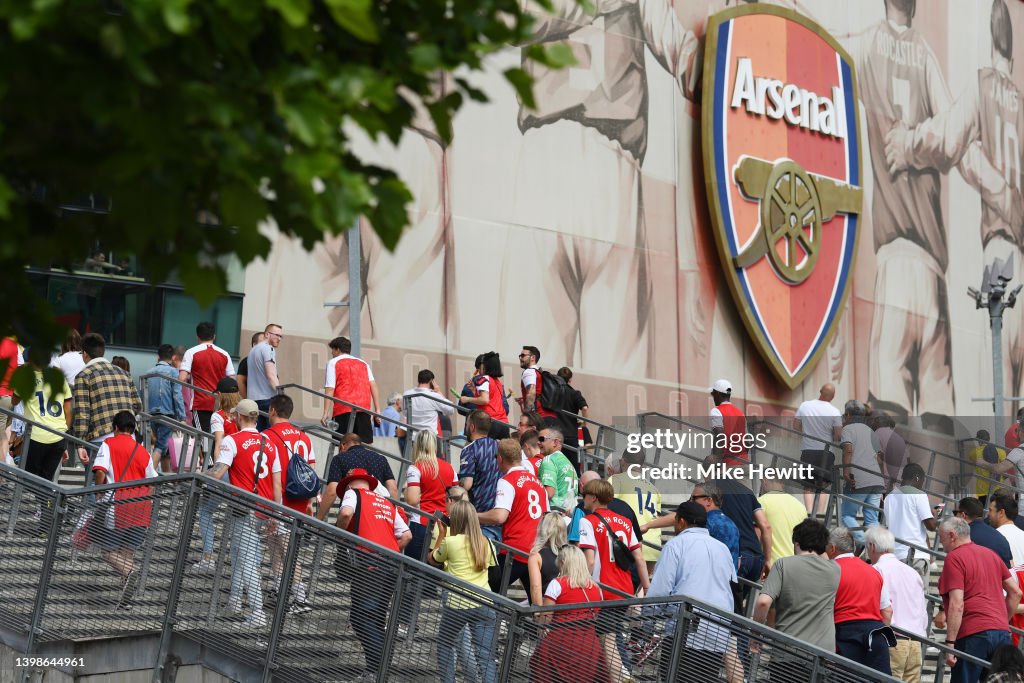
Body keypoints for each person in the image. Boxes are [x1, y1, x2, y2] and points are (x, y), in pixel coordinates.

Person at [207, 399, 283, 628]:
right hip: (266, 507)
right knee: (241, 553)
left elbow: (219, 473)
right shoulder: (269, 442)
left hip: (243, 507)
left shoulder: (232, 440)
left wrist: (200, 477)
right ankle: (234, 601)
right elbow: (277, 483)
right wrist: (275, 514)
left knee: (247, 558)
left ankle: (257, 611)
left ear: (239, 417)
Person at [647, 501, 737, 683]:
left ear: (681, 521)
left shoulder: (676, 545)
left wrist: (646, 624)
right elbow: (730, 586)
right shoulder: (723, 548)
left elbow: (660, 591)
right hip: (717, 631)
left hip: (684, 631)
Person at [336, 467, 411, 678]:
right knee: (376, 617)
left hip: (369, 565)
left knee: (360, 617)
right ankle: (374, 671)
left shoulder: (353, 494)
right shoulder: (386, 501)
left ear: (350, 484)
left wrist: (339, 536)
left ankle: (380, 666)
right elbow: (406, 536)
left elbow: (345, 513)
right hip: (391, 566)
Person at [579, 478, 650, 682]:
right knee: (609, 636)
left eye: (585, 495)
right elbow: (639, 558)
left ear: (593, 497)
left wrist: (581, 586)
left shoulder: (588, 521)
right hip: (624, 589)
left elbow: (590, 561)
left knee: (608, 641)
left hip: (601, 590)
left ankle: (623, 678)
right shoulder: (625, 522)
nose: (583, 499)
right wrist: (647, 588)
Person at [753, 519, 842, 681]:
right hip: (823, 655)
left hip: (788, 652)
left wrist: (756, 633)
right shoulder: (835, 569)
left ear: (797, 542)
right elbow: (822, 555)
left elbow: (763, 602)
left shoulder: (783, 565)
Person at [937, 516, 1020, 683]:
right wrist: (1002, 621)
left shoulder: (954, 558)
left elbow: (957, 603)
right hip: (1001, 632)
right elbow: (1016, 592)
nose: (941, 544)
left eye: (942, 538)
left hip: (973, 632)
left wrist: (950, 643)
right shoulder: (991, 554)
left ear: (952, 535)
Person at [92, 411, 158, 608]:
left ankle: (129, 573)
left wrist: (98, 491)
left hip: (118, 504)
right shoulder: (142, 449)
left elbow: (101, 471)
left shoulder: (109, 444)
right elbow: (153, 479)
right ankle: (125, 601)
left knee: (108, 551)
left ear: (115, 427)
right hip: (142, 505)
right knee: (127, 552)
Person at [428, 499, 497, 683]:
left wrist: (442, 533)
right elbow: (492, 571)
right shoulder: (487, 543)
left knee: (444, 645)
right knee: (486, 657)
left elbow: (432, 560)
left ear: (456, 520)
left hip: (457, 603)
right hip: (485, 603)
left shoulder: (450, 542)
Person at [477, 438, 549, 593]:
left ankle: (496, 618)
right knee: (535, 603)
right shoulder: (539, 483)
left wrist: (473, 516)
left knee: (489, 591)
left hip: (515, 550)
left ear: (501, 459)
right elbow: (547, 516)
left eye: (496, 457)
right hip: (536, 550)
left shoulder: (507, 480)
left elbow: (499, 516)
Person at [529, 545, 608, 683]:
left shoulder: (557, 584)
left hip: (559, 645)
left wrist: (537, 615)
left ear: (564, 563)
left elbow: (545, 619)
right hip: (589, 647)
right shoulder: (597, 589)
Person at [826, 527, 895, 675]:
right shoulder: (873, 571)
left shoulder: (830, 570)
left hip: (844, 637)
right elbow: (887, 611)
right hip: (876, 636)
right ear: (854, 547)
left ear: (832, 548)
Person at [71, 333, 142, 471]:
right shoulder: (124, 373)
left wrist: (79, 444)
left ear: (85, 354)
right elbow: (138, 405)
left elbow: (82, 413)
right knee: (122, 484)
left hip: (100, 438)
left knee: (95, 486)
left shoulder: (83, 375)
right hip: (129, 437)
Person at [866, 526, 928, 683]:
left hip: (893, 640)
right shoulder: (912, 572)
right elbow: (923, 612)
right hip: (915, 643)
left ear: (872, 546)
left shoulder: (877, 571)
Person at [193, 377, 241, 571]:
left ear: (220, 395)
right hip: (242, 472)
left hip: (226, 470)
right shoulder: (242, 414)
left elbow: (218, 446)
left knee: (205, 510)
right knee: (237, 517)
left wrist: (214, 471)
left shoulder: (218, 416)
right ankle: (235, 560)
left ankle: (208, 558)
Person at [15, 349, 71, 487]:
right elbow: (68, 409)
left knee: (29, 478)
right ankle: (46, 506)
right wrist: (64, 432)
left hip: (36, 435)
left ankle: (34, 505)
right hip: (58, 435)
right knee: (47, 479)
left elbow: (14, 401)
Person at [403, 429, 457, 561]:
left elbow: (412, 500)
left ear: (417, 445)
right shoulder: (450, 468)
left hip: (422, 524)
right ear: (435, 445)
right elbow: (457, 497)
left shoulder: (415, 468)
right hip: (445, 525)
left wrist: (406, 491)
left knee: (414, 570)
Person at [319, 433, 399, 521]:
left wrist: (319, 519)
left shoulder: (339, 458)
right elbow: (393, 488)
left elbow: (332, 491)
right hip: (379, 514)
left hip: (352, 514)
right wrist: (394, 517)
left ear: (342, 446)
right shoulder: (381, 459)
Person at [839, 400, 885, 547]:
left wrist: (846, 471)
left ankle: (864, 543)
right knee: (872, 519)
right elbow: (879, 458)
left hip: (859, 479)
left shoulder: (848, 429)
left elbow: (848, 450)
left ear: (848, 414)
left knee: (847, 514)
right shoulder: (871, 431)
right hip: (876, 480)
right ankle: (877, 546)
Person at [609, 448, 661, 575]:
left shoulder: (616, 479)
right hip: (653, 543)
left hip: (631, 541)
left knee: (627, 588)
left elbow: (606, 507)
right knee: (645, 589)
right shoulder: (654, 488)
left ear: (622, 461)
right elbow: (656, 517)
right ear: (642, 465)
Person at [178, 321, 235, 434]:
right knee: (216, 437)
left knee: (201, 438)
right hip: (220, 403)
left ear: (197, 337)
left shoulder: (191, 352)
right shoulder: (224, 354)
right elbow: (232, 380)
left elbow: (182, 378)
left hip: (200, 402)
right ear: (214, 336)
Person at [322, 336, 380, 443]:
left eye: (332, 351)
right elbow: (373, 386)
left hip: (343, 409)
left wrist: (325, 412)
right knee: (362, 445)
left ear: (337, 349)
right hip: (364, 410)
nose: (332, 354)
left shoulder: (333, 362)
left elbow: (330, 388)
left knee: (344, 444)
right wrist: (377, 410)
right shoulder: (364, 364)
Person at [794, 383, 843, 510]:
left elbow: (796, 426)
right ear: (833, 396)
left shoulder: (805, 406)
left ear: (820, 391)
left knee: (808, 484)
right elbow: (838, 435)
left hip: (808, 450)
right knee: (824, 485)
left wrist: (806, 434)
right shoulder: (834, 411)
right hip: (826, 452)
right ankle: (820, 513)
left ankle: (809, 512)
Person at [883, 463, 937, 576]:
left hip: (895, 555)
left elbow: (889, 526)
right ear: (917, 478)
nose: (922, 484)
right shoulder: (920, 495)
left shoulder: (889, 497)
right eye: (922, 480)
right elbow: (931, 526)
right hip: (917, 555)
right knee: (918, 593)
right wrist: (935, 515)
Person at [458, 410, 502, 541]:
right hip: (501, 515)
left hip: (480, 517)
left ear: (472, 427)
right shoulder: (500, 446)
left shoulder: (469, 449)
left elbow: (466, 484)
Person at [145, 343, 185, 472]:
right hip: (167, 414)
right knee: (160, 446)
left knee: (163, 447)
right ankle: (147, 475)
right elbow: (177, 395)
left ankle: (163, 477)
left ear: (158, 356)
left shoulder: (149, 372)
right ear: (173, 357)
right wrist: (181, 417)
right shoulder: (173, 372)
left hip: (151, 414)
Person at [757, 476, 808, 564]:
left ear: (764, 481)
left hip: (772, 564)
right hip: (795, 564)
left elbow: (756, 533)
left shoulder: (761, 502)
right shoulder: (800, 505)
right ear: (782, 483)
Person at [460, 352, 510, 439]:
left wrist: (467, 399)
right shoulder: (497, 382)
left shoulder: (484, 379)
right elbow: (491, 400)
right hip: (503, 424)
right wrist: (474, 391)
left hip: (490, 422)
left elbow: (484, 400)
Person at [247, 323, 283, 432]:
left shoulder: (253, 350)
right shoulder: (269, 349)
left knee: (256, 435)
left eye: (281, 336)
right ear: (267, 334)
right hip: (267, 398)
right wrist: (280, 396)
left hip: (253, 399)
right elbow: (271, 375)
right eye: (276, 335)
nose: (279, 338)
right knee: (269, 437)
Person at [555, 367, 590, 472]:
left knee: (555, 467)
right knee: (573, 469)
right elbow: (584, 408)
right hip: (571, 435)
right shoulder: (574, 393)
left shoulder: (553, 393)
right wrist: (584, 423)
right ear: (570, 380)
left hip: (555, 434)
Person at [401, 369, 456, 437]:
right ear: (431, 381)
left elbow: (405, 413)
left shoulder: (407, 394)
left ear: (418, 380)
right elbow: (451, 409)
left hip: (412, 436)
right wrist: (439, 392)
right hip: (429, 437)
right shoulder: (433, 396)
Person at [528, 512, 566, 606]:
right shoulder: (570, 554)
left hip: (548, 607)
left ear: (543, 529)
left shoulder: (536, 557)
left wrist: (538, 614)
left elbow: (535, 588)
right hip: (568, 606)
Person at [537, 426, 578, 511]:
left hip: (554, 515)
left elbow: (549, 493)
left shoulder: (549, 459)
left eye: (542, 439)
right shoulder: (569, 464)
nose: (538, 442)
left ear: (555, 442)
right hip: (570, 515)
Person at [709, 379, 748, 465]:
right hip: (744, 464)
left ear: (718, 393)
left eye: (713, 393)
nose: (713, 397)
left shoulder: (716, 411)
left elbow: (719, 435)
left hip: (728, 466)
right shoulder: (740, 413)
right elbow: (747, 441)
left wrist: (716, 461)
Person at [518, 346, 558, 426]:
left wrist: (527, 416)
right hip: (552, 417)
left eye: (523, 356)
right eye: (520, 356)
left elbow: (531, 393)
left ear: (533, 357)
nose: (520, 358)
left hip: (539, 417)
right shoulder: (539, 372)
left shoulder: (529, 372)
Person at [969, 430, 1005, 505]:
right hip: (998, 486)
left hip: (982, 488)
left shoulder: (975, 451)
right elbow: (1004, 467)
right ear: (988, 439)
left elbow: (972, 459)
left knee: (983, 508)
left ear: (978, 440)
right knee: (997, 508)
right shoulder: (1001, 451)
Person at [990, 492, 1024, 566]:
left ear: (1001, 512)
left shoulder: (994, 537)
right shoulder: (1022, 535)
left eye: (990, 510)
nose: (988, 514)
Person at [235, 332, 263, 399]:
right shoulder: (247, 361)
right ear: (254, 345)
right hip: (253, 402)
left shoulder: (269, 362)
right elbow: (240, 382)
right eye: (263, 343)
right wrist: (246, 401)